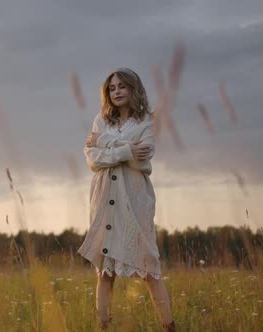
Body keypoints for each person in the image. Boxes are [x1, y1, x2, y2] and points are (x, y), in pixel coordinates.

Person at [77, 68, 175, 331]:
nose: (117, 91)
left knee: (150, 267)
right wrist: (125, 149)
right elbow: (92, 159)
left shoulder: (146, 121)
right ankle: (104, 326)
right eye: (112, 88)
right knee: (105, 272)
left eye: (122, 86)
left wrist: (107, 143)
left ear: (133, 89)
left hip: (135, 201)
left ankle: (169, 327)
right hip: (105, 200)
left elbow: (143, 157)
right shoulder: (101, 120)